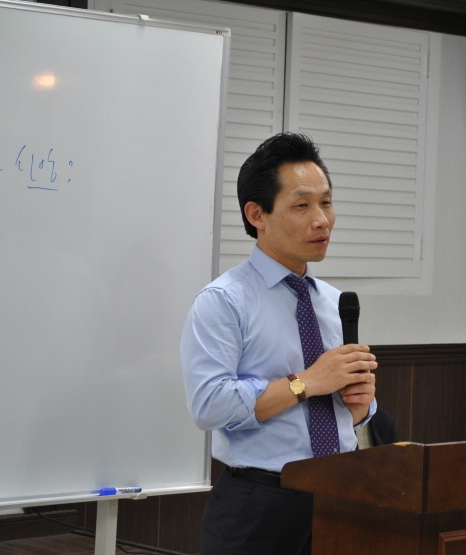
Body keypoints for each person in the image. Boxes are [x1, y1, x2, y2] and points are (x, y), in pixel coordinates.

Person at [181, 132, 378, 555]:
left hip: (342, 496)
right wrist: (306, 383)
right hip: (260, 505)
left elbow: (350, 415)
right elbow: (209, 405)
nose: (322, 220)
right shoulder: (224, 301)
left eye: (326, 203)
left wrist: (362, 408)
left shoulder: (334, 302)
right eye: (302, 205)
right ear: (257, 214)